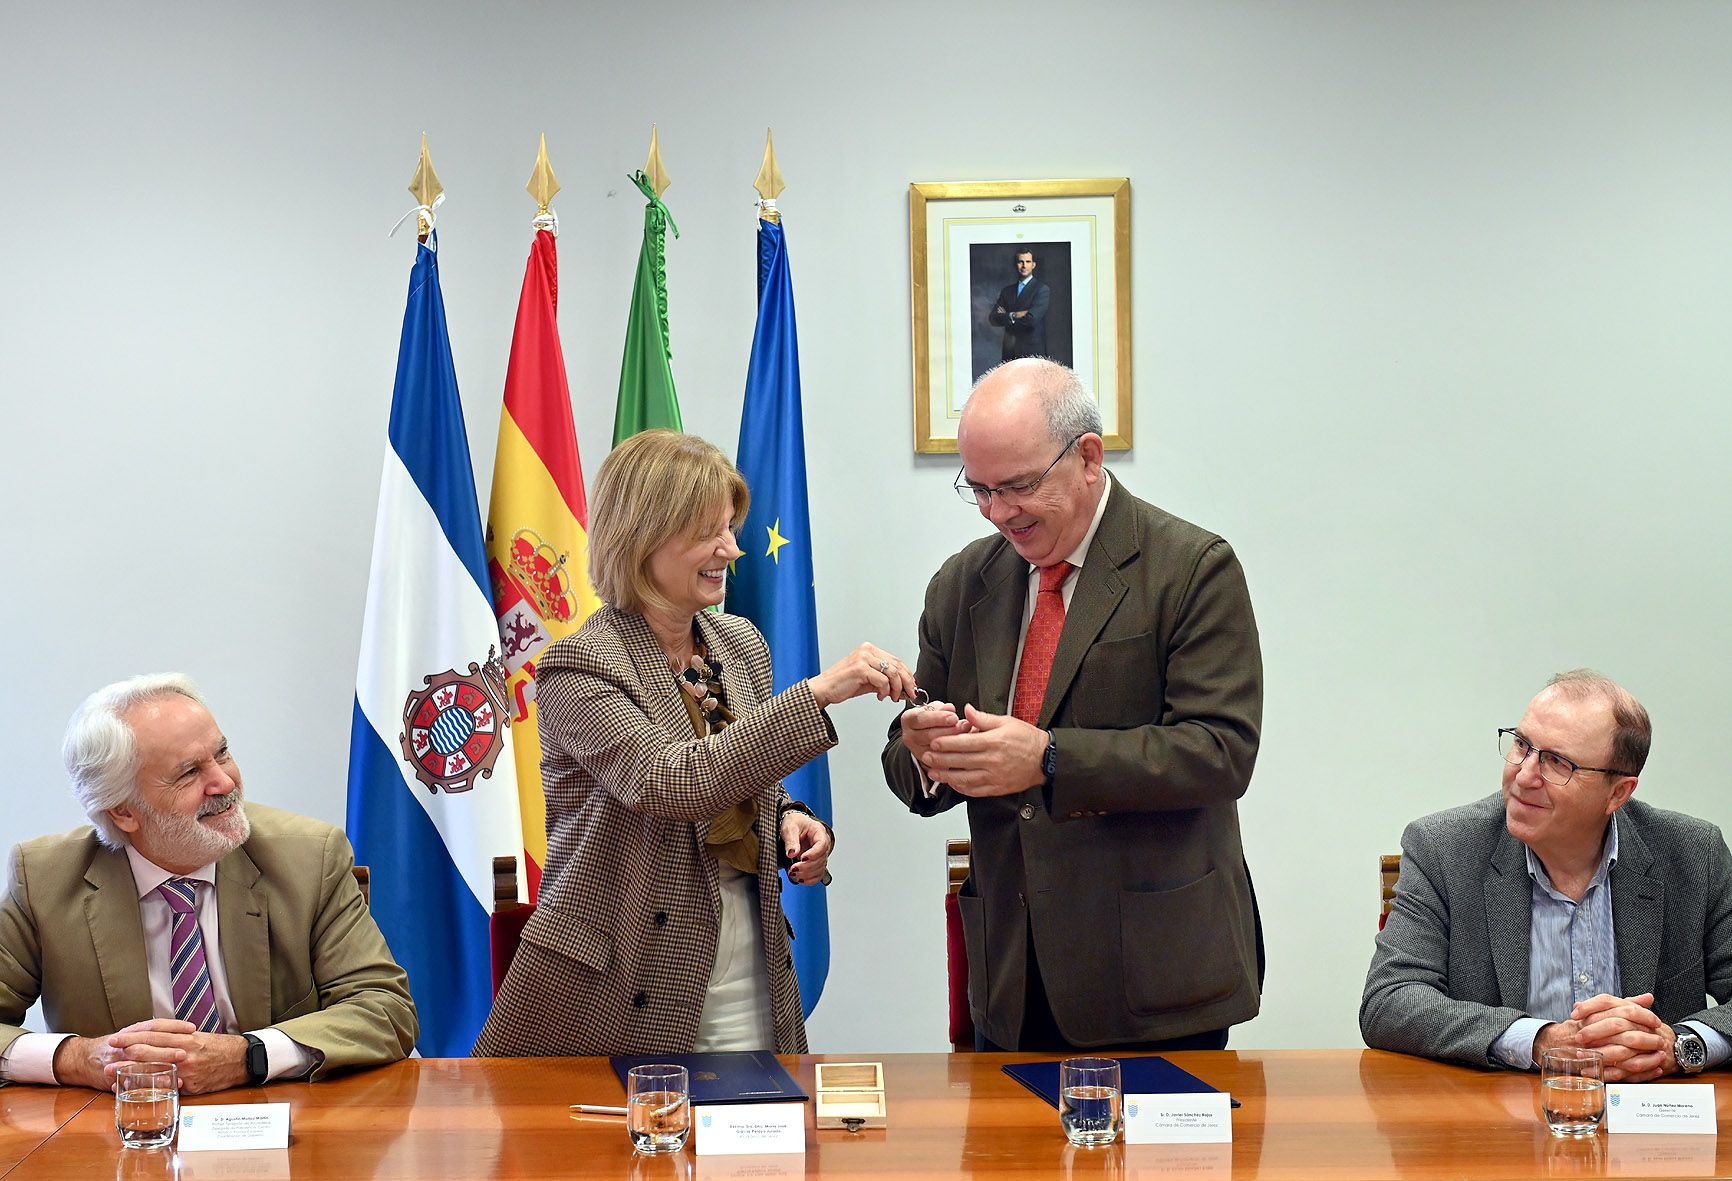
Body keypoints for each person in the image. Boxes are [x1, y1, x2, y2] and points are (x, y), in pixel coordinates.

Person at [473, 430, 915, 1056]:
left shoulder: (740, 645)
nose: (731, 549)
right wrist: (818, 693)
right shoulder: (577, 666)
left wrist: (790, 816)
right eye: (710, 531)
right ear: (643, 537)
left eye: (732, 527)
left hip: (749, 970)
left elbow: (742, 775)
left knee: (758, 1150)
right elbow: (671, 781)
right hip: (618, 985)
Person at [881, 357, 1264, 1052]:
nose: (1000, 513)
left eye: (1020, 486)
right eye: (982, 489)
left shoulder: (1192, 567)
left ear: (1089, 456)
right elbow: (911, 770)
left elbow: (1220, 751)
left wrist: (1050, 758)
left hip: (1157, 977)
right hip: (1011, 976)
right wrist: (923, 748)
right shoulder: (963, 583)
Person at [0, 675, 417, 1095]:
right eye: (188, 773)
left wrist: (247, 1056)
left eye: (222, 753)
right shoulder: (44, 879)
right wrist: (79, 1059)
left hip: (279, 1125)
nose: (225, 782)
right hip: (117, 1131)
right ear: (123, 811)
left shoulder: (309, 857)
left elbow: (385, 1010)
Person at [1362, 670, 1732, 1079]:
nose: (1523, 776)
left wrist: (1679, 1046)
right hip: (1499, 1121)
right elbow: (1390, 1000)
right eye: (1522, 745)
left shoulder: (1694, 855)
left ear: (1618, 793)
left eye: (1557, 762)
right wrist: (1540, 1041)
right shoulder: (1444, 848)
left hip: (1653, 1125)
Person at [988, 249, 1051, 361]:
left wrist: (1006, 317)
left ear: (1033, 265)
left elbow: (1031, 320)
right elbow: (993, 318)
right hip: (1010, 352)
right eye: (1020, 262)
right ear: (1015, 265)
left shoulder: (1042, 289)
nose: (1024, 266)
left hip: (1032, 352)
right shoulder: (1007, 291)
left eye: (1027, 262)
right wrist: (1014, 315)